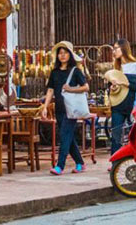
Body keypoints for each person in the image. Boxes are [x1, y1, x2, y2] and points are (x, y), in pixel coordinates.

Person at [41, 41, 89, 175]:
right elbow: (50, 90)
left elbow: (86, 87)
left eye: (65, 53)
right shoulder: (54, 72)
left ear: (70, 55)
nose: (62, 56)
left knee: (64, 136)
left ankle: (59, 166)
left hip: (71, 109)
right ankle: (80, 163)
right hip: (59, 109)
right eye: (60, 53)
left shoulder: (75, 71)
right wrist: (45, 107)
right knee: (68, 136)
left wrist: (71, 89)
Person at [104, 69, 136, 159]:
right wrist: (113, 88)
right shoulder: (114, 72)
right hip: (117, 106)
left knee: (133, 134)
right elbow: (110, 90)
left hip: (131, 106)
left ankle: (134, 158)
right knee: (116, 134)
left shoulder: (134, 68)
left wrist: (125, 83)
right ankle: (115, 160)